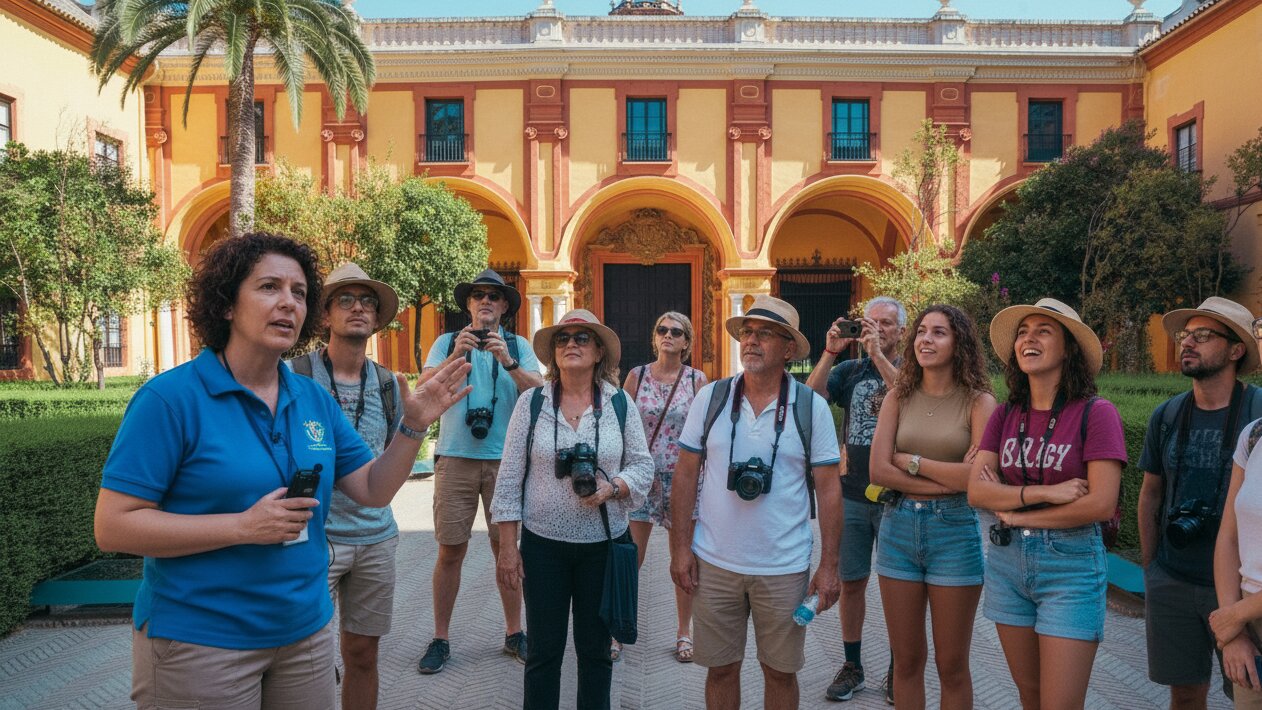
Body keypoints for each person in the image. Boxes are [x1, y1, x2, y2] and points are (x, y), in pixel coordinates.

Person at [94, 232, 471, 708]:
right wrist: (241, 527)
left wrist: (412, 425)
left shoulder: (312, 399)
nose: (288, 303)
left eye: (299, 292)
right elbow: (113, 527)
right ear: (227, 304)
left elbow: (373, 490)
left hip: (304, 635)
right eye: (269, 287)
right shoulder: (170, 400)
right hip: (201, 640)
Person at [671, 295, 843, 710]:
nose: (751, 340)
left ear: (788, 349)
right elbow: (685, 475)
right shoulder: (712, 398)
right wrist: (680, 550)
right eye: (748, 332)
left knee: (781, 672)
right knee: (721, 668)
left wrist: (829, 566)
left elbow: (829, 488)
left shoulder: (810, 406)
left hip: (783, 566)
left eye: (765, 333)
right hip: (715, 561)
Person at [968, 297, 1127, 710]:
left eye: (1043, 331)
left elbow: (1100, 504)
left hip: (1070, 566)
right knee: (1031, 696)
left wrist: (1013, 509)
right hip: (1006, 563)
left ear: (1069, 348)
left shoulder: (1097, 413)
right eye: (1023, 331)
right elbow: (977, 492)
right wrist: (1044, 494)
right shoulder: (1005, 415)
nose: (1028, 339)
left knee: (1060, 704)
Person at [491, 309, 654, 710]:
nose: (571, 345)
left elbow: (642, 464)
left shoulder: (619, 404)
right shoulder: (532, 403)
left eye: (582, 338)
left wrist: (613, 486)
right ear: (553, 353)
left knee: (596, 651)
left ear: (599, 351)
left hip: (603, 545)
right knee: (543, 652)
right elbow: (510, 477)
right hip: (543, 547)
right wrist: (509, 548)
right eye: (563, 339)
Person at [286, 262, 407, 710]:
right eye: (345, 300)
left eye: (367, 302)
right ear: (324, 315)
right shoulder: (294, 377)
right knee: (305, 657)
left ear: (376, 318)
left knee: (362, 653)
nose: (358, 308)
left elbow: (394, 456)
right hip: (314, 538)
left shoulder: (391, 384)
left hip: (376, 538)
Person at [868, 304, 996, 710]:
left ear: (959, 342)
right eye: (922, 331)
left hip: (955, 534)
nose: (926, 339)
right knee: (906, 662)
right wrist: (953, 477)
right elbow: (878, 471)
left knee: (951, 664)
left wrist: (912, 461)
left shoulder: (980, 403)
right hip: (898, 530)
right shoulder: (897, 397)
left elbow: (980, 480)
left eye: (939, 332)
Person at [1139, 297, 1262, 710]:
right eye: (1184, 335)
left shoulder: (1258, 413)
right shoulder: (1167, 414)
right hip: (1174, 579)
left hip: (1244, 587)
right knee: (1186, 696)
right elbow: (1151, 493)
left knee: (1249, 694)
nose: (1187, 343)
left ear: (1235, 349)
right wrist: (1151, 567)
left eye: (1203, 335)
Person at [419, 268, 543, 673]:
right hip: (455, 458)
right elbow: (423, 389)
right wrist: (456, 354)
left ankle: (513, 632)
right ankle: (440, 638)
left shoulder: (518, 345)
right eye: (477, 295)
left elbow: (539, 394)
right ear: (469, 304)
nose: (485, 301)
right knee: (450, 550)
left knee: (506, 551)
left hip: (505, 462)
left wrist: (506, 361)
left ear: (505, 305)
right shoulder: (445, 343)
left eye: (493, 295)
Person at [805, 295, 905, 703]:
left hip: (900, 496)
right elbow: (807, 401)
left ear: (901, 330)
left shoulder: (915, 368)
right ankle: (853, 664)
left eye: (886, 323)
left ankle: (903, 666)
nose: (877, 329)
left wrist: (879, 357)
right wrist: (830, 353)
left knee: (901, 586)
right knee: (852, 582)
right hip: (852, 494)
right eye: (871, 322)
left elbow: (910, 397)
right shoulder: (850, 370)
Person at [622, 311, 708, 664]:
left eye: (676, 331)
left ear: (686, 342)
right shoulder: (636, 376)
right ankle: (618, 628)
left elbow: (708, 430)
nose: (668, 335)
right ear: (654, 338)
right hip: (642, 477)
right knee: (630, 557)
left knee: (683, 558)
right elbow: (620, 423)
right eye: (662, 330)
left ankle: (684, 632)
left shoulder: (697, 380)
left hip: (683, 479)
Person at [1211, 316, 1262, 706]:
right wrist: (1234, 630)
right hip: (1249, 629)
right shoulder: (1254, 434)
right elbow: (1228, 538)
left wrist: (1236, 614)